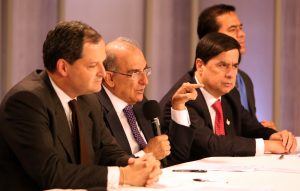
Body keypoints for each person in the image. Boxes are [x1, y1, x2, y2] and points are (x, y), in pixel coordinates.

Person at [0, 21, 161, 190]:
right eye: (93, 65)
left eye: (102, 63)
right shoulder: (26, 101)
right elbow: (51, 172)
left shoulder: (88, 98)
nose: (103, 72)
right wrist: (123, 175)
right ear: (63, 67)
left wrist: (137, 164)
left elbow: (106, 149)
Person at [160, 32, 297, 163]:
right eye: (222, 65)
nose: (231, 74)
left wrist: (274, 136)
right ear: (200, 65)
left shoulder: (230, 94)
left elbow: (251, 127)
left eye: (235, 66)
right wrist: (267, 146)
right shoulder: (185, 98)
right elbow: (210, 145)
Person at [97, 37, 201, 167]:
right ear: (110, 78)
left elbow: (174, 158)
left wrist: (178, 107)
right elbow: (105, 167)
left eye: (145, 71)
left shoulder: (141, 104)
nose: (145, 81)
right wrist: (146, 155)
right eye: (135, 73)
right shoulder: (95, 111)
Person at [197, 4, 275, 129]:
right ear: (211, 38)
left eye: (241, 28)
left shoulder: (244, 80)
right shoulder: (193, 87)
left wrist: (264, 132)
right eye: (233, 29)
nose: (242, 34)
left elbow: (245, 125)